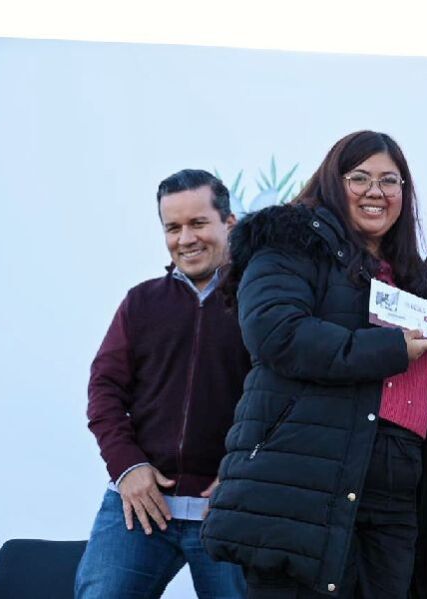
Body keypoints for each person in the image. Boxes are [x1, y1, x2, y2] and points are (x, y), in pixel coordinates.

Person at [201, 131, 427, 599]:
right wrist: (389, 349)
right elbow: (277, 333)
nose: (375, 191)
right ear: (333, 182)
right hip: (307, 478)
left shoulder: (415, 277)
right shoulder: (291, 242)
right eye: (360, 178)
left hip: (396, 488)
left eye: (390, 181)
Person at [76, 169, 251, 598]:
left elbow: (286, 401)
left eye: (198, 223)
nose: (185, 239)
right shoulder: (141, 302)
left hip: (229, 508)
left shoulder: (259, 301)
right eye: (173, 227)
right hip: (138, 504)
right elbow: (104, 391)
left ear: (229, 223)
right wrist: (127, 467)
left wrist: (244, 472)